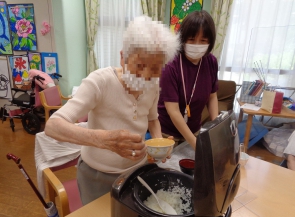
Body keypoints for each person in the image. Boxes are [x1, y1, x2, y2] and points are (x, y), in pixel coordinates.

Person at [44, 16, 179, 205]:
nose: (147, 75)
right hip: (97, 175)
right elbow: (53, 126)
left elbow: (152, 119)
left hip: (135, 172)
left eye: (155, 68)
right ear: (123, 56)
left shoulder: (153, 86)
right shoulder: (100, 82)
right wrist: (106, 140)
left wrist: (158, 144)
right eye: (139, 65)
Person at [158, 10, 219, 149]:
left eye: (203, 41)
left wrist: (216, 126)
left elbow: (212, 97)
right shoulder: (170, 64)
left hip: (194, 130)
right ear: (182, 38)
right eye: (191, 39)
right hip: (167, 133)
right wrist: (194, 143)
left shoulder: (211, 62)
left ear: (210, 42)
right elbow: (173, 110)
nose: (197, 45)